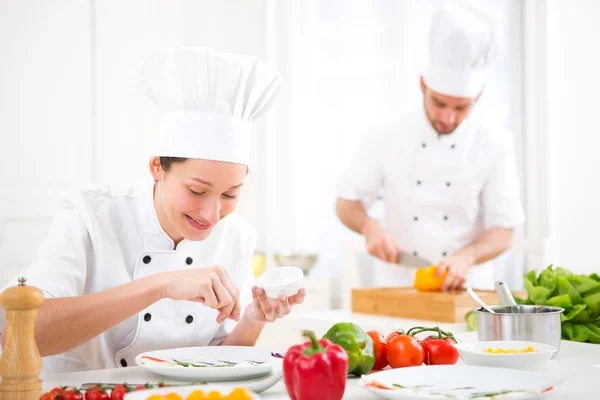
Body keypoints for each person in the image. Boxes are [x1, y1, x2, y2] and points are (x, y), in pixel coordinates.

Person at [0, 47, 304, 373]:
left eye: (230, 194)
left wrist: (253, 319)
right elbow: (18, 332)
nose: (213, 214)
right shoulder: (91, 214)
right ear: (157, 167)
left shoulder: (238, 236)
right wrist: (161, 285)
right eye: (196, 191)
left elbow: (217, 364)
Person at [336, 1, 525, 292]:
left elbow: (505, 230)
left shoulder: (496, 144)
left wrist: (467, 256)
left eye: (461, 108)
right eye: (439, 103)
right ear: (422, 84)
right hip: (399, 288)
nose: (448, 118)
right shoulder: (385, 136)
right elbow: (346, 204)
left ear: (479, 96)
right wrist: (369, 227)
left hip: (468, 291)